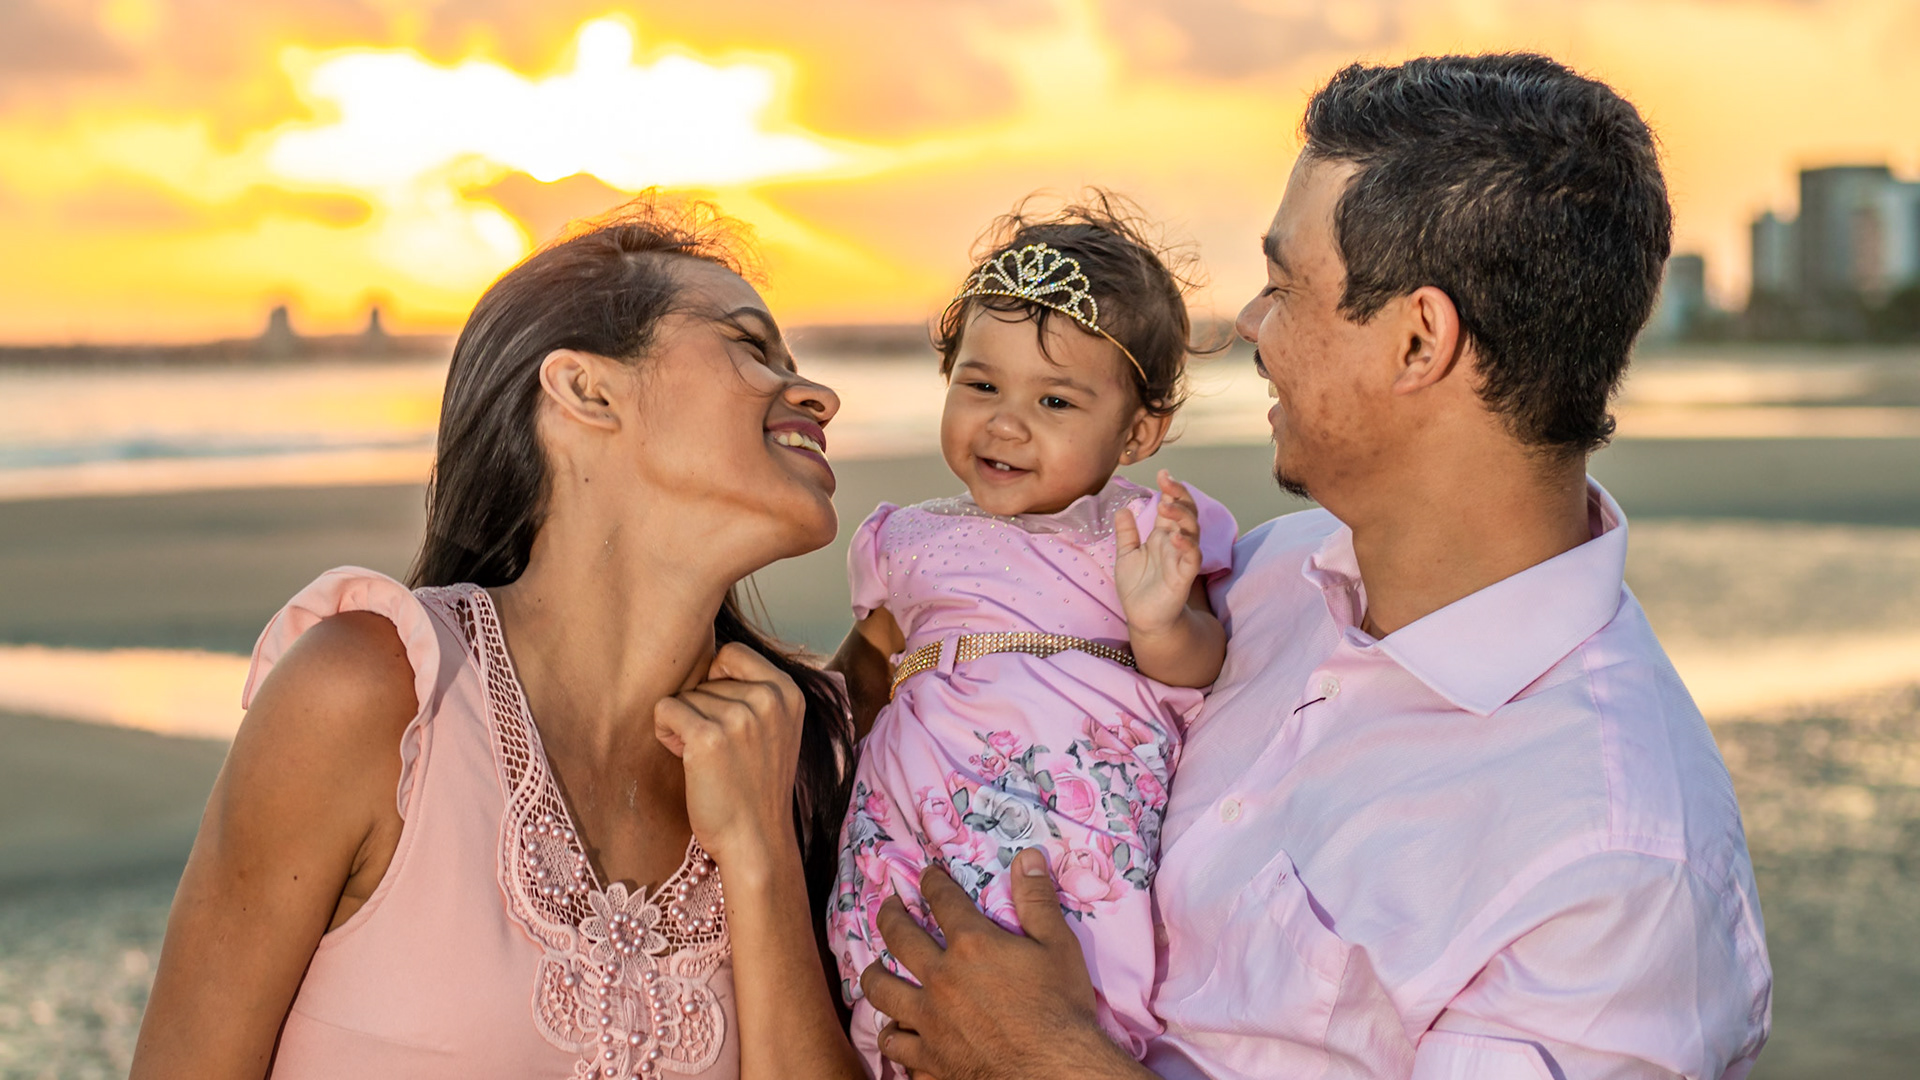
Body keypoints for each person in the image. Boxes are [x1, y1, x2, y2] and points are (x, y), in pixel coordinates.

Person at [857, 54, 1773, 1080]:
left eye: (1286, 286)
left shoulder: (1616, 864)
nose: (1251, 324)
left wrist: (1049, 1060)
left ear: (1419, 341)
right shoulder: (1262, 580)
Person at [131, 199, 867, 1080]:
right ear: (587, 391)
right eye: (750, 347)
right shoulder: (377, 699)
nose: (818, 394)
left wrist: (762, 856)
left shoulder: (798, 754)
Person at [826, 196, 1237, 1076]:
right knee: (899, 959)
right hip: (922, 803)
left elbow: (1198, 664)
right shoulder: (907, 537)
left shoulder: (1140, 535)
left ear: (1138, 431)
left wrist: (1159, 620)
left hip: (1066, 810)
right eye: (981, 386)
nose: (1006, 423)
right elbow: (860, 675)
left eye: (1054, 400)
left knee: (1065, 954)